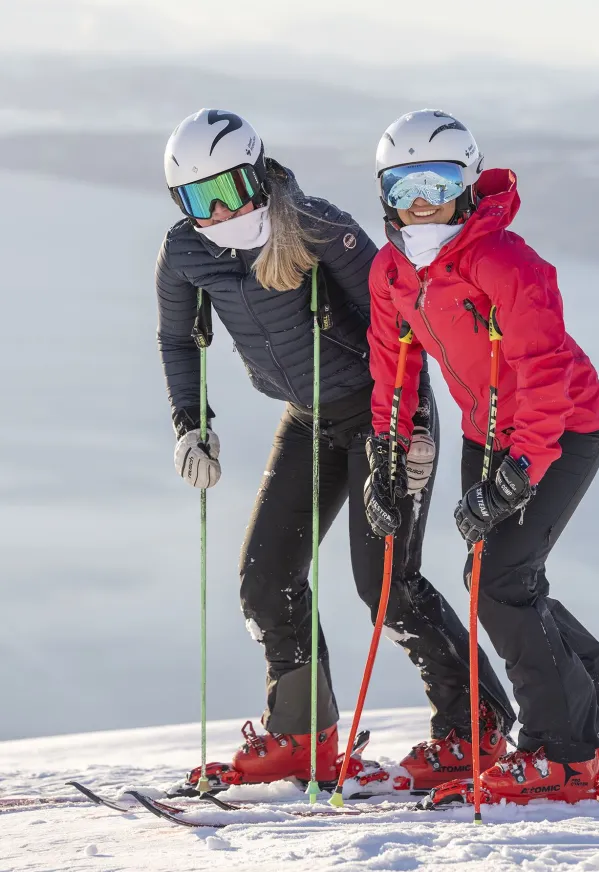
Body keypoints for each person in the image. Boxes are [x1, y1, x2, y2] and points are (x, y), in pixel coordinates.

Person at [156, 108, 514, 791]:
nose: (221, 211)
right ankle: (302, 737)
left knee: (386, 588)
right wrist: (190, 424)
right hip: (309, 418)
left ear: (259, 172)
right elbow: (178, 340)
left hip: (382, 418)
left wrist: (405, 429)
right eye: (201, 199)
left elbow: (401, 324)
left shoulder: (320, 229)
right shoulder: (185, 251)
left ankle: (475, 731)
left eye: (232, 188)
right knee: (265, 578)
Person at [364, 109, 599, 805]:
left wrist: (522, 469)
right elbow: (392, 367)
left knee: (500, 581)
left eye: (438, 183)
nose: (421, 203)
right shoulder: (391, 271)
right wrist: (386, 459)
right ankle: (596, 713)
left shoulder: (506, 262)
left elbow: (542, 368)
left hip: (562, 427)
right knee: (497, 574)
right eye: (403, 187)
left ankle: (562, 753)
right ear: (383, 192)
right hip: (488, 432)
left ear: (468, 185)